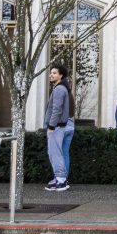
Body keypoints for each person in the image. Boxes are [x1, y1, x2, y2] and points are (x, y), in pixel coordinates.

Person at [44, 64, 72, 192]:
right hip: (61, 125)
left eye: (54, 73)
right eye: (51, 72)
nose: (51, 74)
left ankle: (61, 180)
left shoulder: (60, 89)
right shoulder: (62, 88)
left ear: (61, 75)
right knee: (59, 153)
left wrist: (51, 125)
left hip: (56, 127)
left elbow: (57, 109)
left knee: (55, 154)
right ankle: (60, 178)